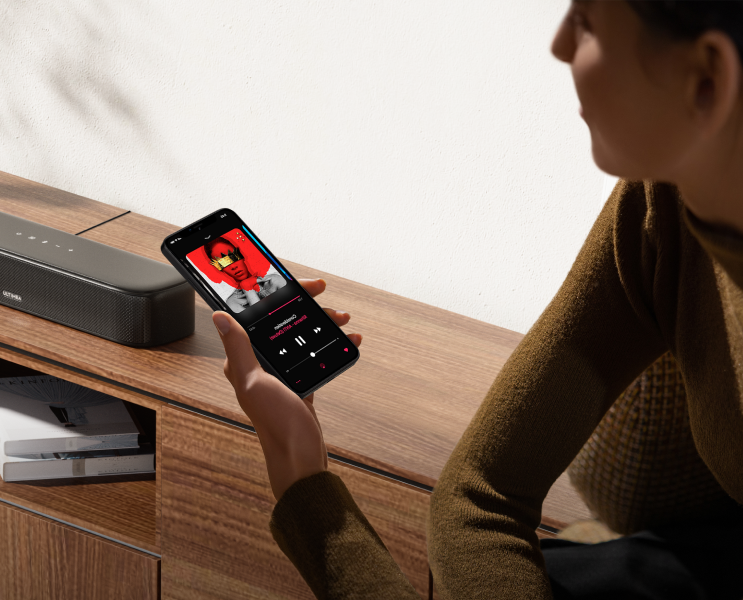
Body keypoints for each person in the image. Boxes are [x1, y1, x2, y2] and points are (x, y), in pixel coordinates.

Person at [211, 2, 743, 598]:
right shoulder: (661, 203)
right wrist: (302, 471)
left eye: (589, 20)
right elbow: (481, 496)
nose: (560, 43)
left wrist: (305, 492)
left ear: (708, 80)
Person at [205, 236, 286, 312]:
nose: (233, 266)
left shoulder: (274, 280)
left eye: (233, 257)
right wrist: (247, 288)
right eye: (223, 263)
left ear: (241, 255)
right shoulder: (233, 303)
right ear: (220, 268)